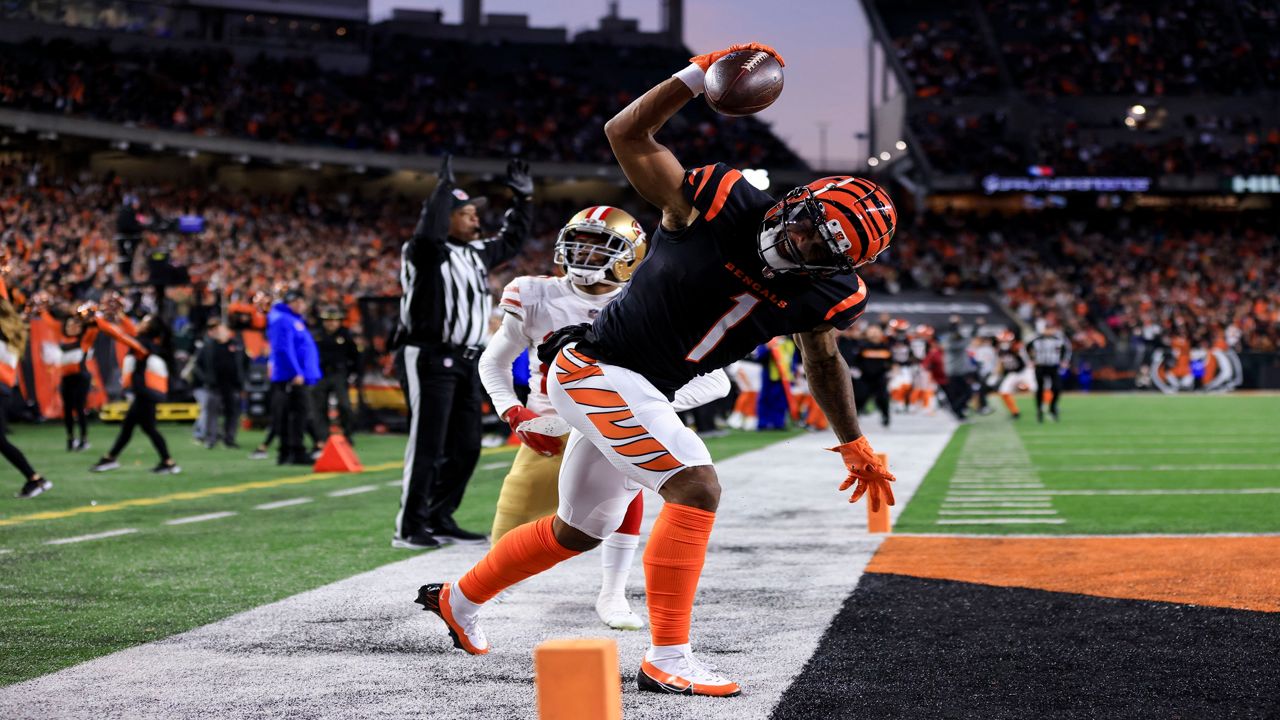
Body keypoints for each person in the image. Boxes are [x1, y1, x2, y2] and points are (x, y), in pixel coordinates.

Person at [415, 42, 896, 698]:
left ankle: (458, 599)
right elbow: (626, 132)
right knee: (695, 486)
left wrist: (853, 441)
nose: (802, 242)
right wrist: (697, 76)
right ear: (798, 200)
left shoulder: (827, 296)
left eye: (824, 248)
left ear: (843, 266)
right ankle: (669, 656)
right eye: (810, 225)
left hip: (639, 387)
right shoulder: (719, 201)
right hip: (597, 366)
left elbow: (822, 358)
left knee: (577, 530)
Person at [479, 204, 732, 630]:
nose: (584, 256)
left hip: (616, 424)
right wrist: (512, 410)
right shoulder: (534, 293)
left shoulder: (649, 298)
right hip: (551, 425)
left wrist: (636, 406)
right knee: (513, 514)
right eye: (577, 246)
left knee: (624, 499)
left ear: (628, 256)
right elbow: (494, 361)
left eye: (599, 248)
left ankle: (613, 594)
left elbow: (717, 381)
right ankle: (480, 589)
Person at [392, 154, 533, 549]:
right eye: (467, 213)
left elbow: (510, 240)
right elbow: (428, 234)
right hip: (430, 356)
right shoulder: (424, 252)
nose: (476, 219)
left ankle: (439, 517)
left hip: (468, 360)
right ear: (446, 217)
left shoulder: (475, 254)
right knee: (428, 443)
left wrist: (523, 202)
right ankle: (409, 527)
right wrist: (440, 193)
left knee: (468, 445)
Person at [89, 314, 180, 474]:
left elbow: (120, 335)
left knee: (147, 428)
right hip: (144, 393)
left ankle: (168, 462)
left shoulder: (144, 345)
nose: (139, 324)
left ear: (150, 328)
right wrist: (120, 315)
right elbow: (130, 331)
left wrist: (98, 319)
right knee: (131, 427)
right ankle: (111, 458)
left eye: (144, 322)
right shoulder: (148, 343)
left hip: (146, 393)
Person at [1, 278, 51, 498]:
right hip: (3, 390)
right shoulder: (10, 335)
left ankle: (35, 478)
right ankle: (34, 478)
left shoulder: (4, 337)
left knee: (0, 440)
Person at [267, 290, 321, 464]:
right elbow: (284, 348)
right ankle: (295, 452)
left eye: (301, 301)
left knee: (291, 414)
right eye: (295, 302)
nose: (299, 305)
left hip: (295, 375)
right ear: (288, 303)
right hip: (291, 377)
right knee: (297, 414)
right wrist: (295, 372)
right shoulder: (284, 320)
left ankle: (288, 453)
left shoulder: (292, 320)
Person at [50, 313, 98, 451]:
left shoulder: (83, 341)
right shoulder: (62, 341)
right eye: (69, 324)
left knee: (79, 407)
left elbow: (94, 330)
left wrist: (91, 318)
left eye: (75, 325)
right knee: (67, 409)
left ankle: (84, 439)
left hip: (81, 377)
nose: (72, 327)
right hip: (66, 378)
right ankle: (70, 439)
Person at [196, 318, 247, 448]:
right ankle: (211, 439)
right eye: (218, 330)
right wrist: (206, 379)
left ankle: (229, 439)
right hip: (214, 386)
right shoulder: (208, 346)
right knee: (211, 413)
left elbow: (246, 363)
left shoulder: (237, 345)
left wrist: (242, 379)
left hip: (232, 385)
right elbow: (198, 365)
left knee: (233, 413)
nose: (219, 332)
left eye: (222, 329)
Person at [312, 306, 359, 445]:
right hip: (320, 374)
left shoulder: (345, 335)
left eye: (334, 320)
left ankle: (347, 434)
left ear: (339, 322)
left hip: (339, 374)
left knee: (344, 405)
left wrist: (353, 373)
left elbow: (355, 356)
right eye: (327, 320)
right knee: (319, 407)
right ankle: (323, 437)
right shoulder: (317, 335)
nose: (331, 323)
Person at [1027, 319, 1072, 422]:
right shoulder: (1035, 338)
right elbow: (1024, 349)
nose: (1049, 331)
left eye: (1051, 328)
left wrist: (1064, 361)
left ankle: (1052, 407)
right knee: (1040, 389)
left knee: (1056, 388)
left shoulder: (1059, 338)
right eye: (1047, 328)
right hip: (1040, 366)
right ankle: (1039, 410)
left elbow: (1067, 350)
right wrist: (1030, 360)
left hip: (1053, 366)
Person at [995, 329, 1033, 419]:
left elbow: (1024, 352)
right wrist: (996, 374)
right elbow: (1001, 363)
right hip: (1012, 373)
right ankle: (1014, 412)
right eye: (1002, 341)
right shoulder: (1000, 350)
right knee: (1003, 391)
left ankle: (1050, 405)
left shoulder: (1017, 347)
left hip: (1025, 371)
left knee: (1036, 388)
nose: (1003, 343)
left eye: (1005, 340)